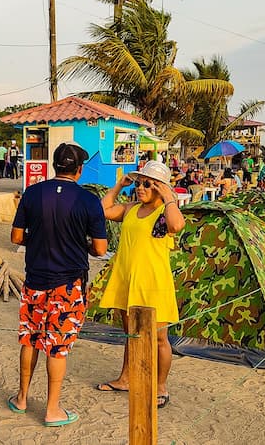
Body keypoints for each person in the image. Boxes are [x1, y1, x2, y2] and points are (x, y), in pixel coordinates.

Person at [9, 143, 107, 427]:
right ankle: (52, 409)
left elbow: (16, 237)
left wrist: (36, 239)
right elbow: (100, 249)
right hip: (69, 285)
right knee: (57, 346)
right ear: (79, 169)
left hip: (35, 281)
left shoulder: (32, 193)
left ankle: (22, 398)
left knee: (30, 339)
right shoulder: (88, 201)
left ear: (54, 165)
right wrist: (81, 243)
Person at [96, 160, 185, 410]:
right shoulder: (131, 209)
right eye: (138, 182)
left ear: (159, 188)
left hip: (154, 284)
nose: (140, 188)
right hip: (128, 280)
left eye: (147, 184)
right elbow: (103, 210)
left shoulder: (165, 212)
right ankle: (126, 378)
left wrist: (169, 197)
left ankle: (160, 387)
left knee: (159, 340)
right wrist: (118, 186)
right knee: (131, 335)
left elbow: (177, 226)